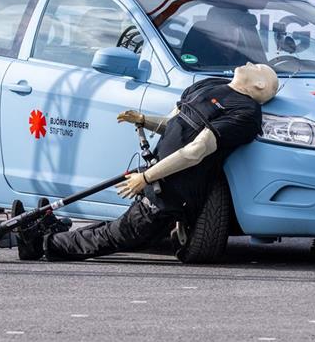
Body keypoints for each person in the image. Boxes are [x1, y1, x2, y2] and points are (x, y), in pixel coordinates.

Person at [15, 62, 279, 261]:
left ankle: (41, 245)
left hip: (173, 192)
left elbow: (196, 151)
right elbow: (177, 124)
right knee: (116, 229)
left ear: (259, 86)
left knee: (119, 235)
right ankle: (44, 234)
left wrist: (146, 178)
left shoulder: (246, 112)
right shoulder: (210, 85)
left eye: (257, 68)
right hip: (156, 175)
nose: (248, 63)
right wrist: (144, 120)